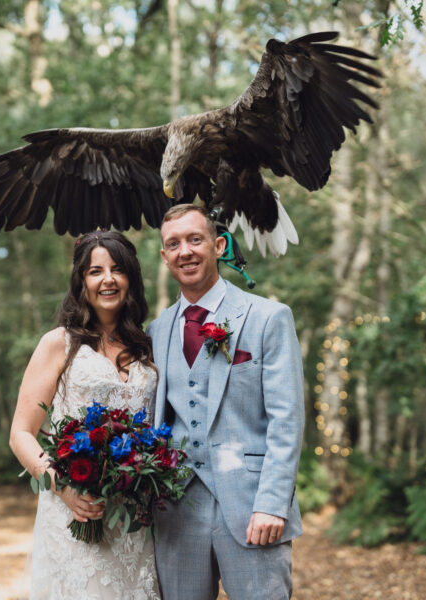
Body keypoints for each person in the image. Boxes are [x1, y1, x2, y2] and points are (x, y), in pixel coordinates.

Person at [147, 204, 305, 600]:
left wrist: (273, 503)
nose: (185, 251)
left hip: (253, 508)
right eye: (174, 244)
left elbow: (287, 419)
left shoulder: (269, 317)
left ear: (219, 245)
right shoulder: (157, 329)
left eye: (195, 239)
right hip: (176, 513)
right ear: (165, 256)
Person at [9, 230, 161, 600]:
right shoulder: (59, 343)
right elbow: (21, 434)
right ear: (82, 281)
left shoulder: (148, 346)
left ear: (131, 279)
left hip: (134, 520)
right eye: (96, 271)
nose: (107, 279)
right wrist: (64, 489)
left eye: (117, 270)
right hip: (76, 510)